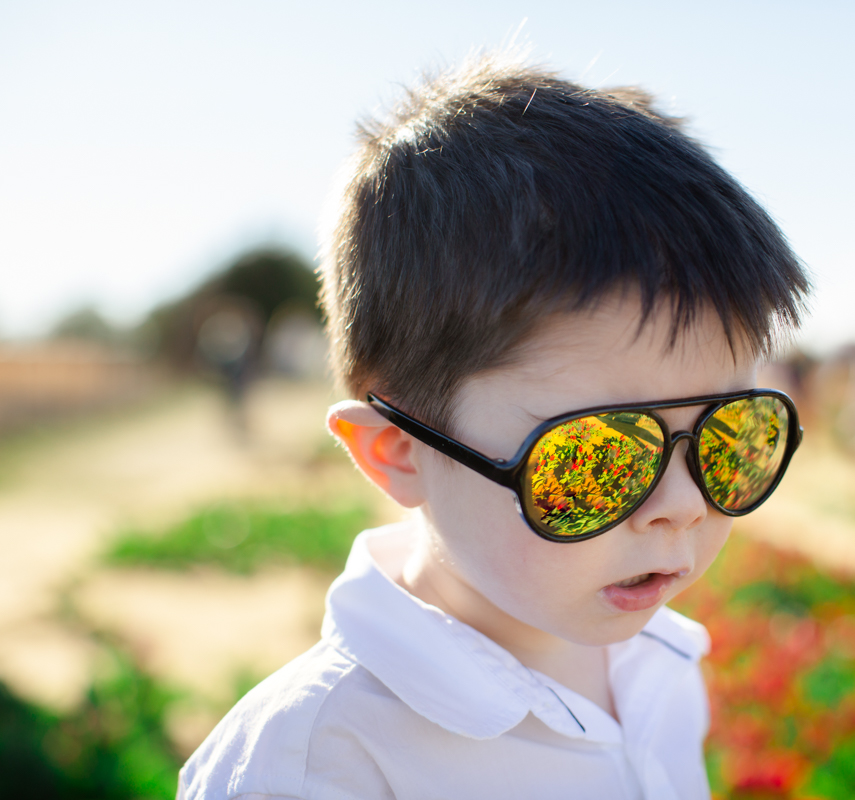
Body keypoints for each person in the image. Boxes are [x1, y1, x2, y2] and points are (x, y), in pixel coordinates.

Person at [178, 50, 810, 800]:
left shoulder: (658, 666)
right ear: (399, 451)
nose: (683, 504)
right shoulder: (316, 761)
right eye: (594, 459)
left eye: (730, 437)